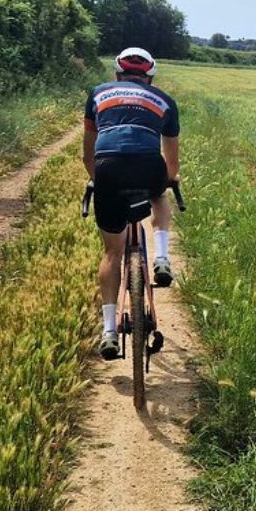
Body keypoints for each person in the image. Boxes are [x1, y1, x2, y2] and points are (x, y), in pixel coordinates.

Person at [83, 47, 180, 360]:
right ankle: (162, 257)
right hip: (148, 166)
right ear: (151, 78)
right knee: (160, 193)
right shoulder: (165, 101)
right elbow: (172, 165)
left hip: (108, 168)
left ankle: (109, 330)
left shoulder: (97, 94)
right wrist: (171, 178)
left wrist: (99, 180)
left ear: (117, 75)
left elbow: (89, 154)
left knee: (112, 251)